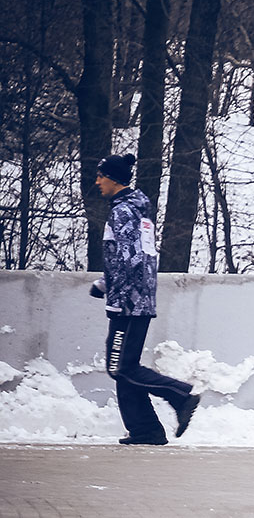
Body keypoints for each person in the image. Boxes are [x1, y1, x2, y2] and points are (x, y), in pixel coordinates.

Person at [88, 153, 200, 445]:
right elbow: (130, 256)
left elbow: (130, 260)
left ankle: (180, 396)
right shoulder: (137, 209)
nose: (97, 182)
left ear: (114, 179)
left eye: (101, 176)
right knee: (125, 368)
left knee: (120, 367)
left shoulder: (124, 211)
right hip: (137, 297)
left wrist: (117, 295)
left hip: (128, 302)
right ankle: (145, 430)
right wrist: (105, 284)